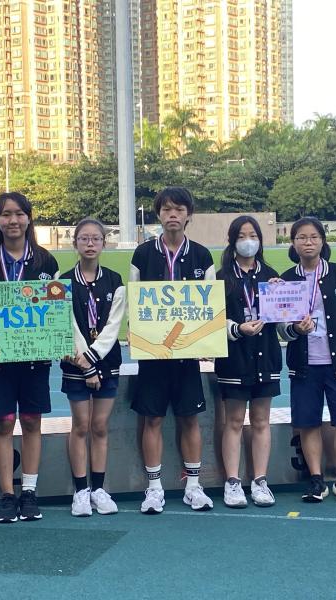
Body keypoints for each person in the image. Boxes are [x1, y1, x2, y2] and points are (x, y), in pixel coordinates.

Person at [0, 192, 59, 523]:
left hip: (35, 357)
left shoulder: (46, 262)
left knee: (33, 421)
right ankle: (7, 495)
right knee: (4, 422)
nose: (13, 220)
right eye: (6, 214)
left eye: (19, 214)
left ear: (29, 218)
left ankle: (30, 492)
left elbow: (54, 311)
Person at [129, 186, 216, 514]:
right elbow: (135, 302)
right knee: (151, 419)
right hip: (154, 354)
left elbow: (209, 307)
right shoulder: (142, 254)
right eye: (166, 210)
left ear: (189, 215)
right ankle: (154, 488)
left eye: (179, 209)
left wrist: (205, 343)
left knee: (189, 418)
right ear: (158, 215)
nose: (173, 215)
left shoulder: (202, 256)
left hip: (187, 355)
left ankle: (193, 485)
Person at [278, 217, 336, 503]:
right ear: (293, 243)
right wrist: (294, 329)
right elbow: (281, 327)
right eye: (301, 237)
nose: (308, 242)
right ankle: (316, 480)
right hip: (303, 364)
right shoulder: (286, 279)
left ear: (323, 241)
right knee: (307, 423)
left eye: (314, 237)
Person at [61, 218, 126, 517]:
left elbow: (114, 327)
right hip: (75, 364)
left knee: (99, 427)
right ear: (74, 244)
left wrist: (95, 360)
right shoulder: (62, 281)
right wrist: (84, 364)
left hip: (106, 363)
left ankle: (99, 488)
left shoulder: (115, 280)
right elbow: (69, 326)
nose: (89, 244)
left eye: (95, 239)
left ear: (104, 244)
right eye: (84, 239)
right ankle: (80, 491)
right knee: (80, 426)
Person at [215, 216, 281, 508]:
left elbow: (282, 323)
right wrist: (237, 329)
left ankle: (260, 481)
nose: (247, 240)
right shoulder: (220, 277)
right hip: (235, 356)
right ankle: (232, 482)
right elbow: (213, 319)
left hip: (266, 354)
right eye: (241, 236)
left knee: (261, 421)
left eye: (252, 235)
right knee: (232, 421)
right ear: (233, 241)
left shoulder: (272, 275)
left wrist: (282, 296)